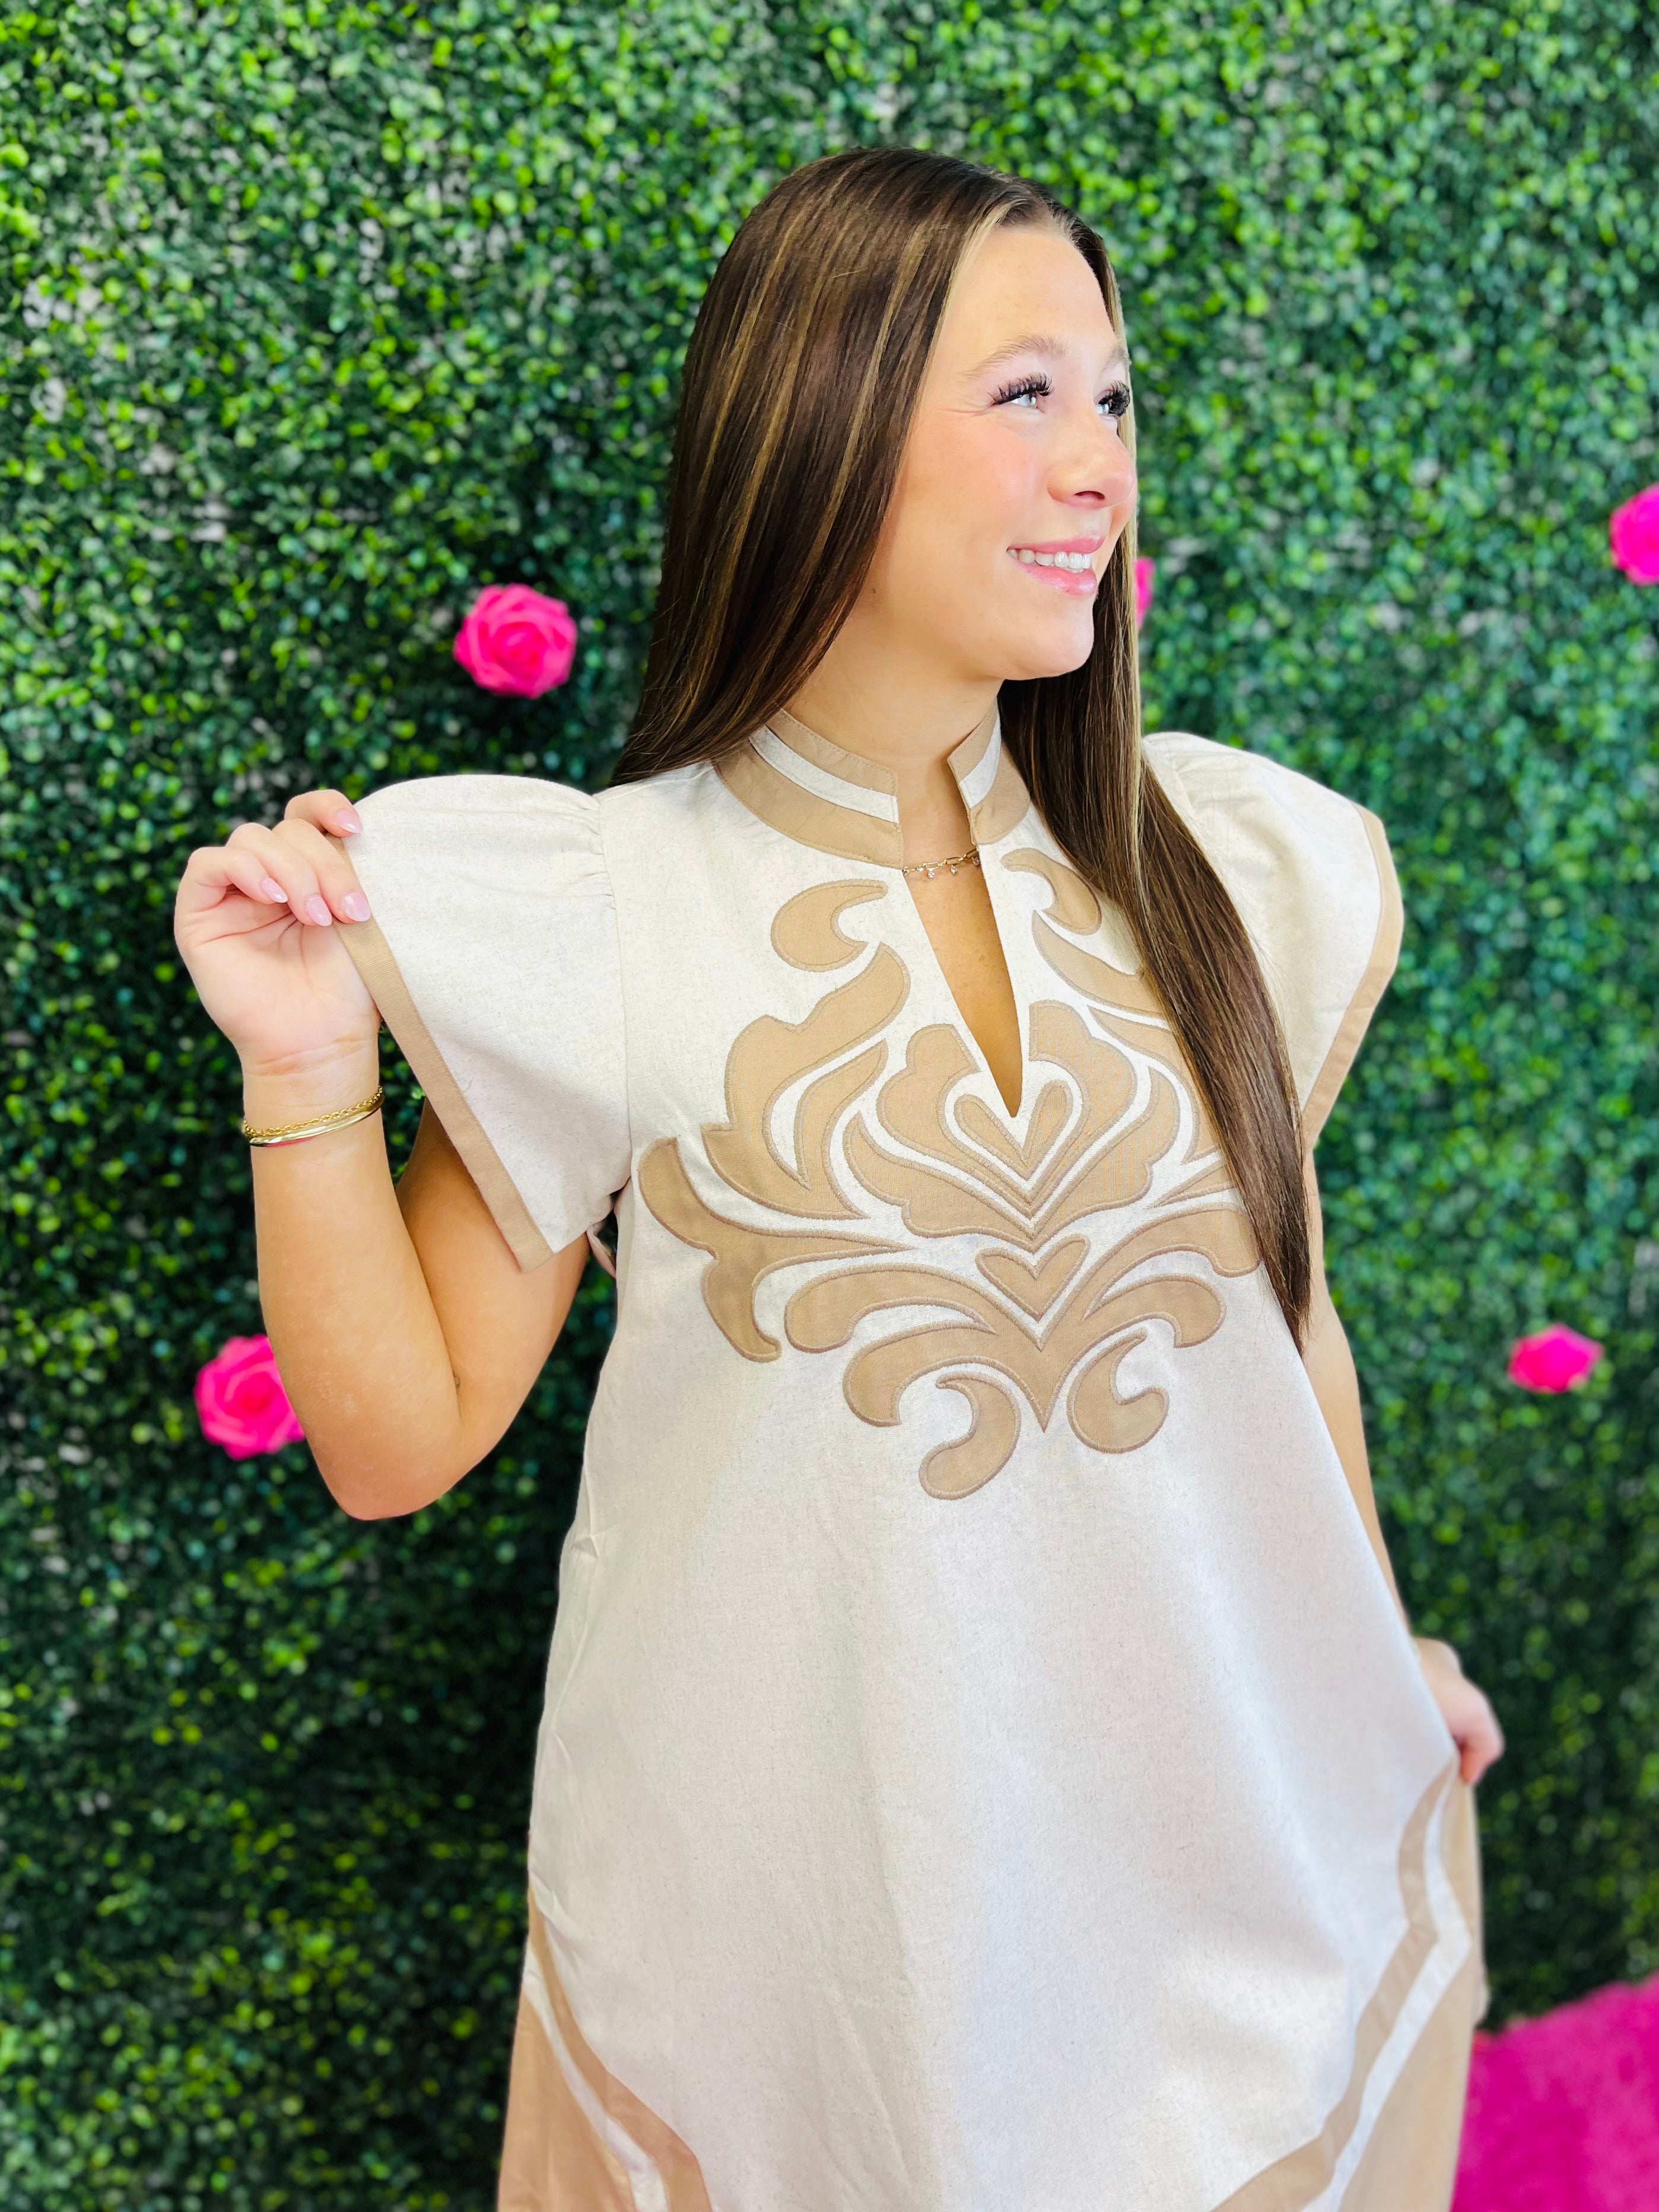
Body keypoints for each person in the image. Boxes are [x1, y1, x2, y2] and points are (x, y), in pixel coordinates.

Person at [174, 147, 1504, 2212]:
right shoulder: (600, 908)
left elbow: (1286, 1329)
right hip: (801, 1930)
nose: (1097, 466)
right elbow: (394, 1441)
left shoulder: (1227, 869)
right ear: (819, 421)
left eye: (1112, 398)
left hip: (1217, 1864)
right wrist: (305, 1065)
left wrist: (1378, 1655)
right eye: (1022, 395)